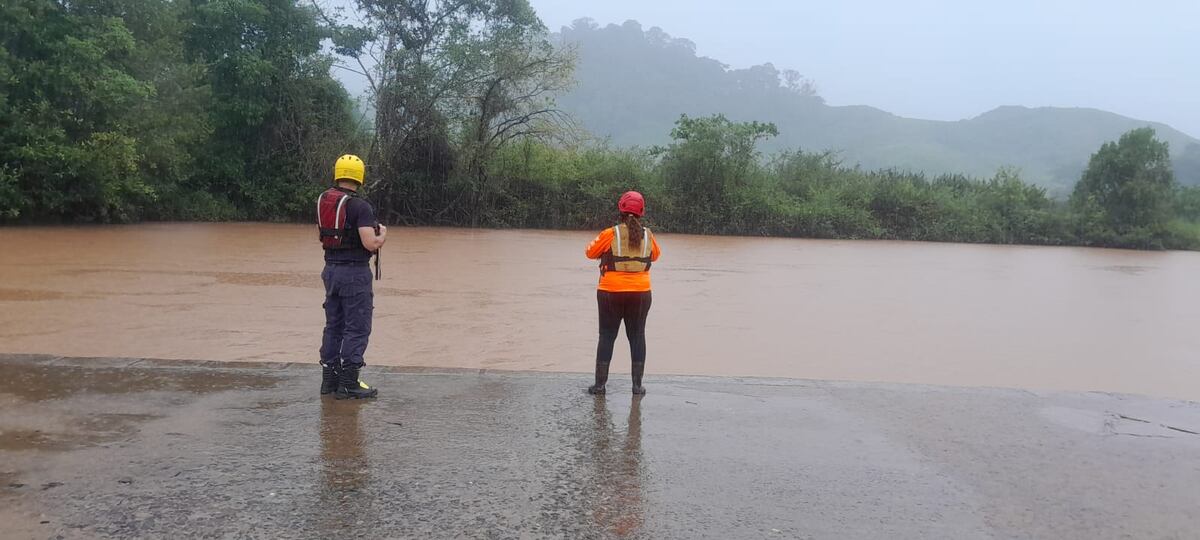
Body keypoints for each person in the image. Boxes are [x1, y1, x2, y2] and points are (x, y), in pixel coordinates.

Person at [317, 154, 387, 399]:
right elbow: (370, 243)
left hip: (330, 270)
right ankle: (349, 383)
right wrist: (383, 235)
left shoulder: (324, 200)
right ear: (359, 176)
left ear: (338, 173)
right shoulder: (360, 206)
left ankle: (329, 381)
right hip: (355, 272)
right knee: (357, 327)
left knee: (333, 325)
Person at [584, 191, 661, 395]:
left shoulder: (611, 234)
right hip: (641, 293)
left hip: (610, 292)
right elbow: (655, 256)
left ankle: (600, 386)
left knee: (607, 336)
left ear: (620, 209)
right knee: (637, 336)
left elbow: (590, 252)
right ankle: (637, 386)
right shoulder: (648, 235)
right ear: (641, 212)